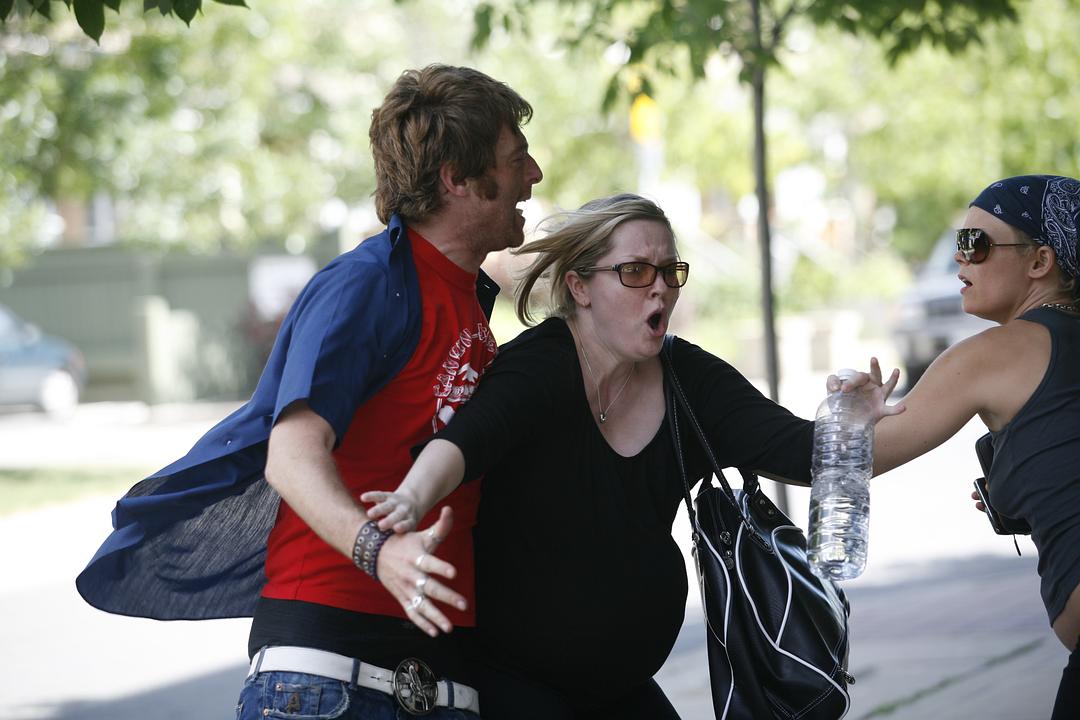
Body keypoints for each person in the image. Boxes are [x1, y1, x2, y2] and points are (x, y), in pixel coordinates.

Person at [75, 64, 543, 720]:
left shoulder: (468, 303)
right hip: (324, 683)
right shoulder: (365, 285)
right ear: (456, 179)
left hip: (440, 681)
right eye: (516, 159)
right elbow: (291, 456)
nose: (534, 175)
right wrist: (380, 552)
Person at [360, 193, 901, 719]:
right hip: (512, 680)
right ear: (580, 286)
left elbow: (800, 452)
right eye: (636, 272)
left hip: (620, 688)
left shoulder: (685, 377)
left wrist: (852, 421)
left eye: (670, 272)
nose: (660, 288)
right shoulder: (542, 364)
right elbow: (466, 441)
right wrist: (409, 500)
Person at [841, 175, 1080, 719]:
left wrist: (847, 417)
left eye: (977, 243)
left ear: (1040, 261)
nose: (959, 259)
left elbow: (847, 460)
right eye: (958, 243)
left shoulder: (993, 353)